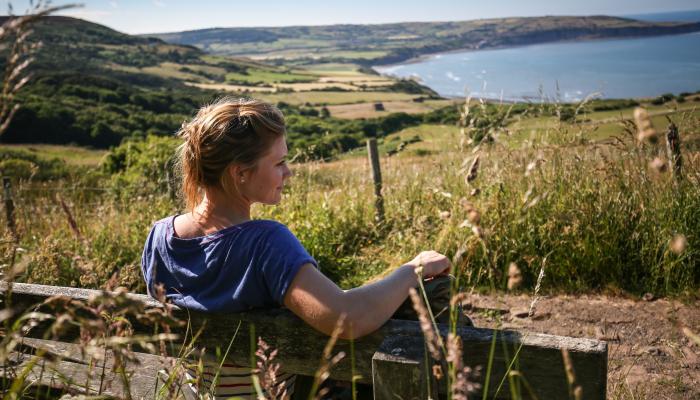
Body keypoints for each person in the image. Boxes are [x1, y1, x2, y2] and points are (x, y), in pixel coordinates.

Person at [141, 97, 451, 398]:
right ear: (241, 173)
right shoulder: (265, 243)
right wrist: (414, 269)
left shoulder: (159, 237)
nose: (288, 172)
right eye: (279, 163)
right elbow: (347, 318)